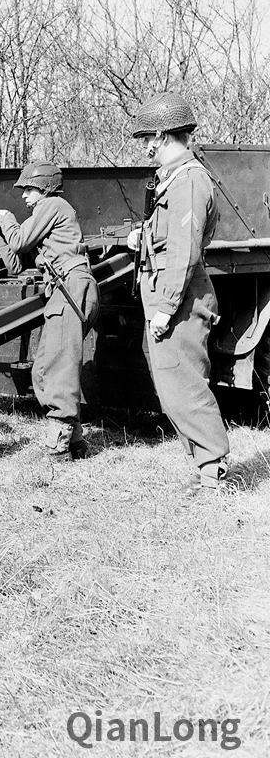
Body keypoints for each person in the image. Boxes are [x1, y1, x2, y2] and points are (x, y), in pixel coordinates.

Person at [127, 91, 230, 496]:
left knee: (184, 386)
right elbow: (173, 239)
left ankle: (214, 473)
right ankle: (207, 468)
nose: (145, 147)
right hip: (169, 298)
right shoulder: (175, 178)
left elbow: (185, 251)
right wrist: (145, 237)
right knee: (172, 387)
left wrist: (165, 309)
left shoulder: (189, 180)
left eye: (147, 138)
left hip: (180, 302)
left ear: (162, 135)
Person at [0, 163, 99, 460]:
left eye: (30, 190)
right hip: (64, 291)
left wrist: (6, 218)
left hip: (71, 287)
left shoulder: (53, 205)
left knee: (58, 367)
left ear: (45, 188)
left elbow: (20, 240)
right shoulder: (45, 216)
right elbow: (17, 264)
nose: (24, 197)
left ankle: (60, 443)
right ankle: (74, 441)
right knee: (45, 368)